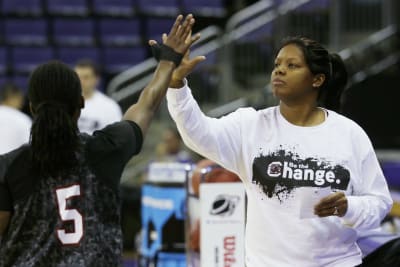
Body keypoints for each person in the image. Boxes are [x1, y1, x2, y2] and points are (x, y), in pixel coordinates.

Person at [165, 37, 393, 266]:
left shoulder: (349, 134)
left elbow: (380, 203)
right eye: (277, 65)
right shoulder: (250, 126)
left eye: (292, 65)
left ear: (317, 79)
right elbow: (198, 133)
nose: (280, 71)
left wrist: (348, 207)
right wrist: (177, 83)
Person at [0, 14, 199, 266]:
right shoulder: (105, 149)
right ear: (80, 105)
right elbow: (146, 105)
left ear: (32, 107)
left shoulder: (8, 166)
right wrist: (167, 62)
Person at [74, 59, 122, 134]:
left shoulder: (110, 106)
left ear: (96, 79)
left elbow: (115, 136)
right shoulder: (62, 103)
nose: (81, 81)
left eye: (86, 77)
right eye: (78, 77)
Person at [0, 83, 32, 154]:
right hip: (11, 163)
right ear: (14, 97)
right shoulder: (22, 119)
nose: (22, 103)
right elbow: (30, 147)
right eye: (20, 99)